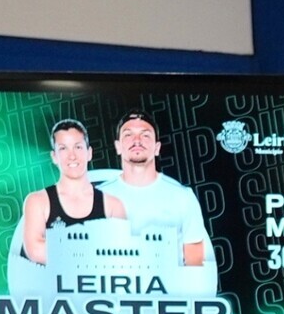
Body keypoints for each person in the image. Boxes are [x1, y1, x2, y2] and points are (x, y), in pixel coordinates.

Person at [89, 112, 210, 272]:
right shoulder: (96, 198)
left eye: (145, 135)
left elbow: (195, 261)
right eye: (128, 135)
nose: (137, 140)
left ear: (157, 148)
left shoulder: (182, 197)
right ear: (118, 147)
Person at [18, 119, 124, 265]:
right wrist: (95, 250)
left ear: (89, 153)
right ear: (54, 156)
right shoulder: (37, 202)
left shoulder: (113, 205)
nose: (72, 155)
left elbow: (120, 254)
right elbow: (35, 250)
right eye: (63, 148)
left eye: (78, 147)